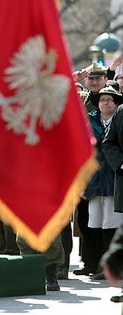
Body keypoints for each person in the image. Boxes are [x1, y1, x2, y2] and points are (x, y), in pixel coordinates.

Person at [84, 87, 123, 280]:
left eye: (109, 100)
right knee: (94, 223)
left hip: (114, 178)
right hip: (94, 179)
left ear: (116, 104)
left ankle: (109, 267)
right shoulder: (90, 122)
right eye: (102, 100)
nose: (105, 103)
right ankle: (94, 264)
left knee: (111, 224)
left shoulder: (119, 119)